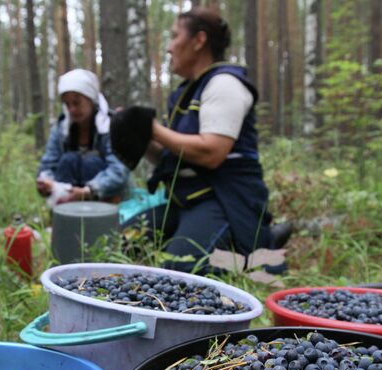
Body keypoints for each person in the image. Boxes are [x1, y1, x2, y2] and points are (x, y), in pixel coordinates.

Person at [113, 7, 277, 273]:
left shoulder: (225, 84)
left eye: (174, 36)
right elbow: (177, 156)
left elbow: (212, 153)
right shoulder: (187, 93)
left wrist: (153, 129)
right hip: (184, 201)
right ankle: (229, 244)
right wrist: (139, 137)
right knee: (118, 244)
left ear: (199, 41)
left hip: (223, 200)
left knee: (178, 271)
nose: (168, 48)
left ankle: (249, 249)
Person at [36, 69, 129, 206]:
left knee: (91, 162)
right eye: (67, 104)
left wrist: (88, 190)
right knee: (69, 160)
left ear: (91, 99)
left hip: (104, 198)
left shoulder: (110, 126)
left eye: (77, 102)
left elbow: (119, 171)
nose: (72, 109)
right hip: (70, 196)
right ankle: (65, 216)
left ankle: (100, 219)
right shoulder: (62, 129)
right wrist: (46, 182)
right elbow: (48, 165)